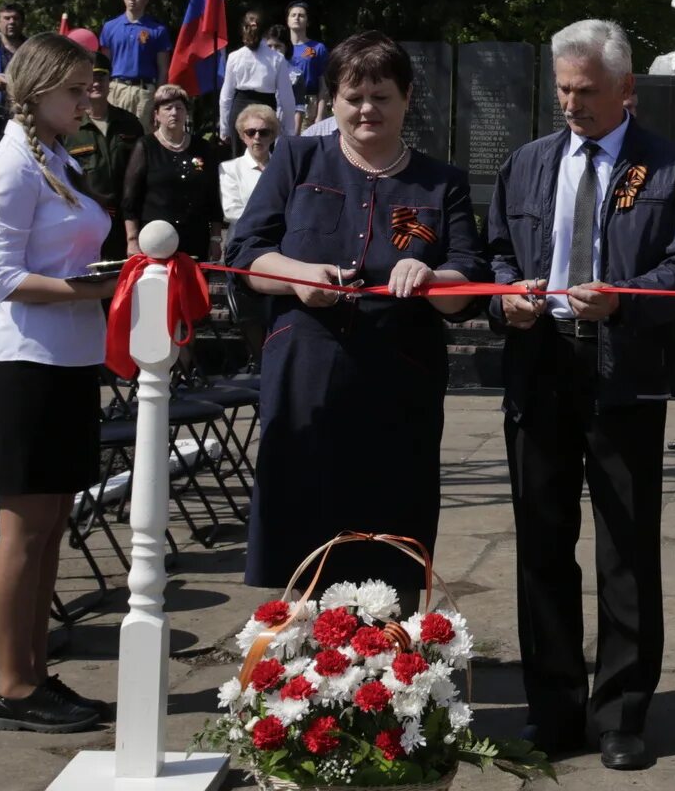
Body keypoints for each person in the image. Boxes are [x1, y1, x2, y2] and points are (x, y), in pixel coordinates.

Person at [486, 19, 675, 771]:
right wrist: (501, 301)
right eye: (563, 90)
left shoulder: (667, 169)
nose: (572, 104)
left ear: (626, 89)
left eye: (586, 91)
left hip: (623, 371)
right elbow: (492, 253)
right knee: (542, 545)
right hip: (539, 364)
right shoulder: (527, 164)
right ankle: (551, 708)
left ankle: (620, 711)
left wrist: (622, 299)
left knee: (626, 547)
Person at [228, 31, 486, 593]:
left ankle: (386, 666)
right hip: (306, 373)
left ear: (406, 99)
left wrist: (430, 275)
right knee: (305, 520)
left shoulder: (443, 184)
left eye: (382, 96)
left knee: (389, 527)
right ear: (334, 101)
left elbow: (469, 279)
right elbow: (244, 254)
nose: (367, 108)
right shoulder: (296, 158)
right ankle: (301, 663)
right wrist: (299, 278)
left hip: (398, 381)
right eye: (354, 96)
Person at [0, 32, 115, 732]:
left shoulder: (54, 157)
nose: (86, 97)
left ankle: (35, 671)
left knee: (53, 522)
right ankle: (14, 685)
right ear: (37, 91)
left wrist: (102, 281)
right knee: (23, 528)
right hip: (26, 362)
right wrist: (86, 290)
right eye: (75, 88)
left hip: (67, 359)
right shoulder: (9, 167)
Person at [121, 84, 220, 260]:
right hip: (155, 241)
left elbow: (213, 195)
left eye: (179, 108)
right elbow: (130, 198)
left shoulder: (203, 147)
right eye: (168, 108)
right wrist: (132, 239)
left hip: (195, 240)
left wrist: (216, 238)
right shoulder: (145, 146)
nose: (174, 113)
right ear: (156, 115)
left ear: (186, 113)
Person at [67, 52, 143, 263]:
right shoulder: (69, 126)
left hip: (125, 221)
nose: (96, 83)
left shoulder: (130, 123)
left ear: (110, 81)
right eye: (90, 78)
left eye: (101, 77)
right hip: (85, 220)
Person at [219, 103, 280, 363]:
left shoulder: (283, 167)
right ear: (242, 135)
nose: (257, 138)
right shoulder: (229, 168)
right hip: (245, 251)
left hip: (281, 252)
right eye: (251, 132)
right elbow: (232, 210)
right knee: (251, 317)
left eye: (264, 132)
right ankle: (259, 365)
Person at [99, 0, 172, 129]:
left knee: (141, 135)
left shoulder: (157, 29)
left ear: (146, 0)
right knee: (114, 132)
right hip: (116, 89)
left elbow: (163, 68)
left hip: (144, 92)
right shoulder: (110, 27)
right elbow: (104, 64)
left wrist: (158, 100)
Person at [219, 9, 296, 144]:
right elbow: (287, 100)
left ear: (243, 29)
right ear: (266, 31)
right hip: (265, 114)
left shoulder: (234, 57)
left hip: (239, 114)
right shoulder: (277, 59)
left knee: (240, 162)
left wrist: (224, 128)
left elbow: (226, 97)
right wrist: (289, 131)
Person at [286, 3, 327, 130]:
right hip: (284, 101)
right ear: (287, 20)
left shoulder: (317, 48)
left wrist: (320, 116)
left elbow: (323, 85)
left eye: (301, 15)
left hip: (309, 105)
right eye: (293, 15)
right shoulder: (279, 48)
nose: (297, 18)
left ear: (307, 22)